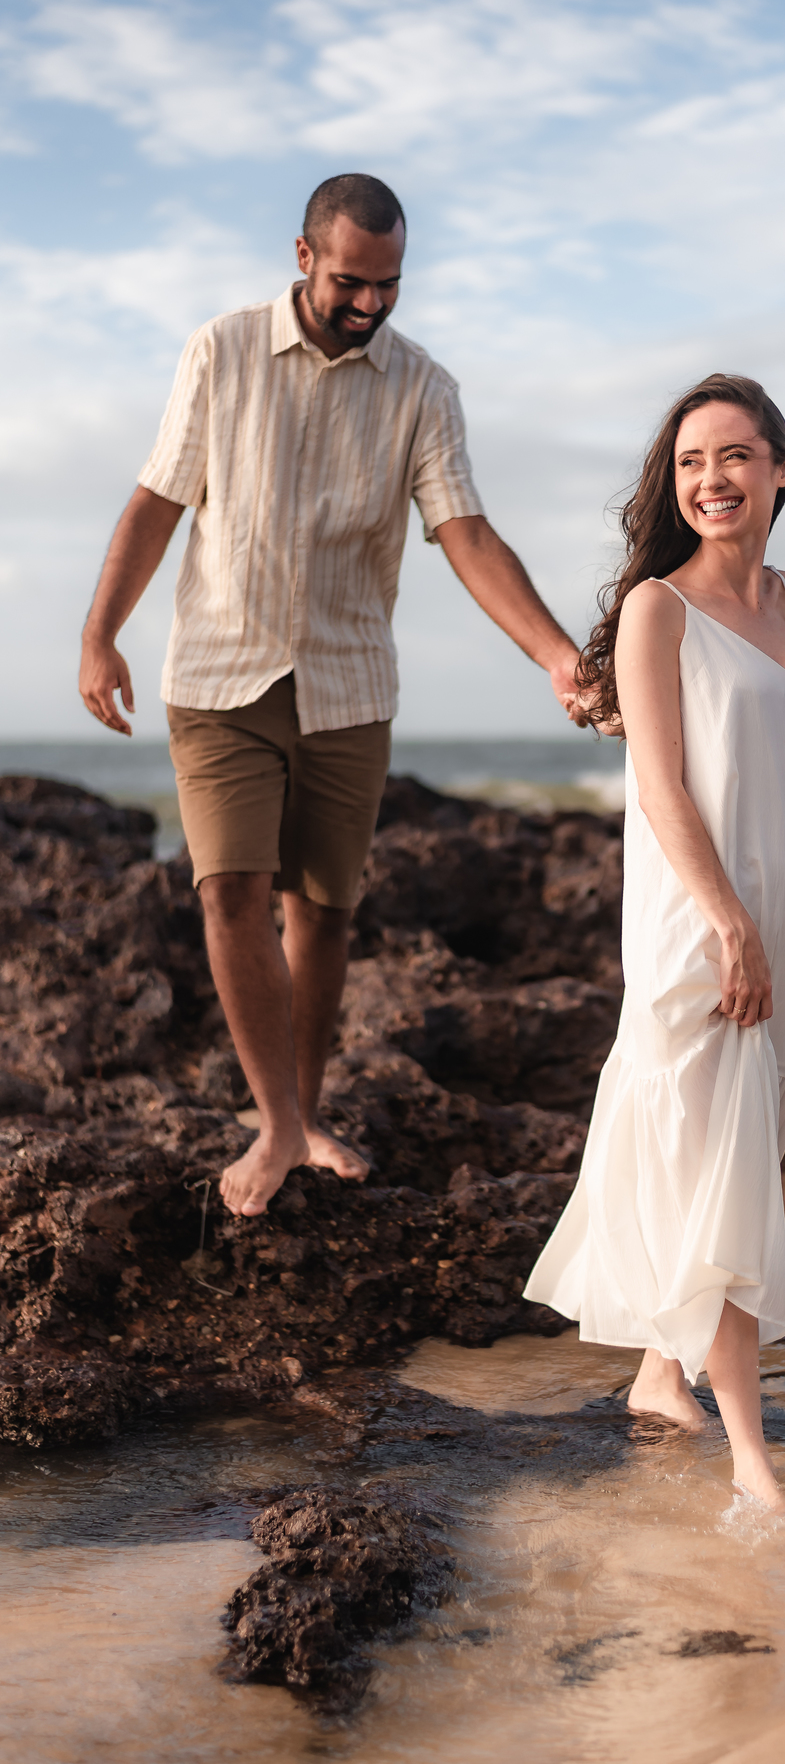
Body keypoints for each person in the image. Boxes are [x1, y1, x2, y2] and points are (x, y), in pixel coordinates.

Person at [79, 173, 585, 1221]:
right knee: (229, 887)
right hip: (220, 672)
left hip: (349, 682)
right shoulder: (219, 351)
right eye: (352, 281)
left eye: (389, 286)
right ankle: (275, 1125)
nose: (370, 305)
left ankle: (306, 1116)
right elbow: (156, 500)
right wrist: (99, 635)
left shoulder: (423, 387)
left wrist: (555, 654)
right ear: (303, 256)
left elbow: (466, 534)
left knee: (324, 910)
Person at [523, 373, 785, 1509]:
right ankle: (755, 1464)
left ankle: (662, 1374)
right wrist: (727, 919)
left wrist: (772, 923)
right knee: (730, 1181)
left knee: (739, 1165)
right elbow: (659, 786)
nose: (713, 479)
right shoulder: (660, 608)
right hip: (705, 926)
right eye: (693, 462)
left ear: (780, 470)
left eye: (737, 457)